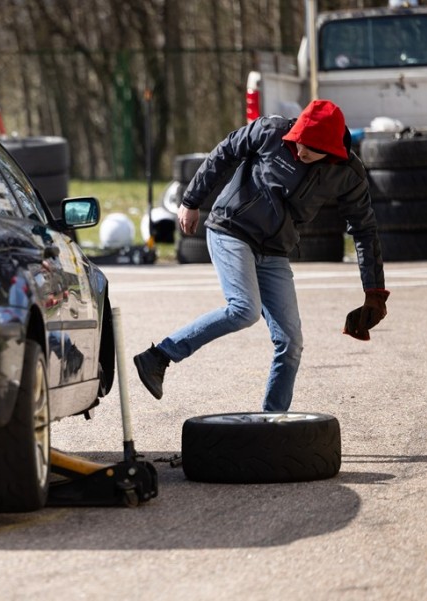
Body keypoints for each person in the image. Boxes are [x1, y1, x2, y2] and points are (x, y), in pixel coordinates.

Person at [133, 99, 389, 412]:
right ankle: (160, 355)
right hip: (231, 230)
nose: (299, 151)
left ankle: (272, 422)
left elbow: (364, 230)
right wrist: (191, 201)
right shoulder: (273, 131)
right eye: (297, 142)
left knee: (291, 342)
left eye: (309, 149)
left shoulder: (348, 173)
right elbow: (225, 151)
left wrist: (374, 293)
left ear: (331, 150)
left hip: (275, 250)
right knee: (244, 309)